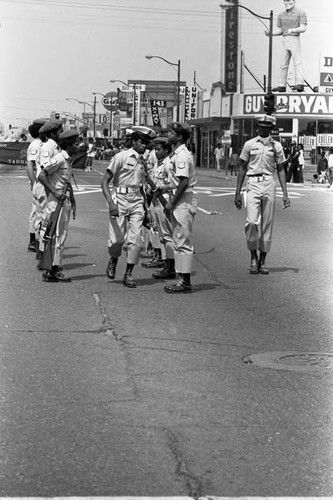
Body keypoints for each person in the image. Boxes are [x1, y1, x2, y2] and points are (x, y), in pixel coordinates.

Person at [101, 125, 157, 288]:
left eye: (146, 143)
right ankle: (113, 259)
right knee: (117, 240)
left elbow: (143, 185)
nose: (144, 146)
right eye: (141, 142)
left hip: (137, 201)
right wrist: (111, 203)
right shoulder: (121, 157)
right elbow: (104, 181)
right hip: (119, 199)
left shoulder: (142, 161)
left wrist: (147, 210)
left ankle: (129, 273)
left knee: (136, 241)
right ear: (133, 141)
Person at [234, 114, 290, 274]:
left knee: (267, 224)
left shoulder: (276, 146)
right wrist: (237, 193)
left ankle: (263, 261)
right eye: (260, 127)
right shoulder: (250, 144)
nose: (263, 129)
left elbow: (280, 169)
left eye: (266, 127)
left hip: (269, 183)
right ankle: (253, 256)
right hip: (252, 184)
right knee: (252, 222)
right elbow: (242, 167)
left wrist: (285, 193)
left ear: (271, 129)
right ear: (257, 127)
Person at [38, 130, 79, 282]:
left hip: (64, 200)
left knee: (58, 234)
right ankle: (53, 269)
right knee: (58, 235)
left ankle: (50, 269)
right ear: (67, 144)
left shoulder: (68, 160)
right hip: (57, 203)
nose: (78, 146)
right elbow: (41, 175)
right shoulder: (59, 159)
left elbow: (66, 182)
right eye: (75, 143)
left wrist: (73, 200)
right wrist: (55, 192)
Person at [163, 122, 196, 293]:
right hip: (179, 199)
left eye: (171, 133)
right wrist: (165, 188)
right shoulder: (175, 154)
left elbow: (183, 182)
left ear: (179, 137)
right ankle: (181, 278)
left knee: (183, 241)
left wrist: (171, 203)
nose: (168, 135)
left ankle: (185, 281)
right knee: (178, 240)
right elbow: (176, 182)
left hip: (182, 202)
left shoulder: (182, 155)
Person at [147, 136, 177, 280]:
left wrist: (160, 188)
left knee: (167, 235)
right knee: (161, 234)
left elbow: (174, 184)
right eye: (155, 149)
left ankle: (171, 266)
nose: (156, 152)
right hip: (155, 201)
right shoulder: (157, 164)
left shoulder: (168, 164)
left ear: (166, 150)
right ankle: (166, 263)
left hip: (164, 200)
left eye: (159, 149)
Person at [267, 0, 307, 93]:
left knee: (297, 62)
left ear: (294, 1)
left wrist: (293, 30)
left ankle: (300, 83)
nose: (287, 3)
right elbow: (280, 30)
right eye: (285, 1)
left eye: (289, 1)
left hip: (294, 38)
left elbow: (303, 28)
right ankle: (282, 85)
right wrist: (271, 33)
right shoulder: (281, 14)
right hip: (285, 39)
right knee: (283, 63)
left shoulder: (300, 12)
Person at [25, 118, 46, 252]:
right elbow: (30, 166)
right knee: (35, 211)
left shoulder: (47, 143)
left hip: (46, 182)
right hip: (38, 182)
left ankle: (42, 239)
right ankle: (33, 240)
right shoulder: (35, 144)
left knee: (43, 212)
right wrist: (34, 184)